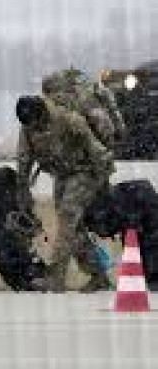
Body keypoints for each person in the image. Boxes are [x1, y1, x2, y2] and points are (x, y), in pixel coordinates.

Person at [16, 95, 114, 293]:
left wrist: (103, 182)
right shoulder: (27, 127)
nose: (34, 128)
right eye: (30, 125)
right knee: (73, 230)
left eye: (36, 123)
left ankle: (55, 278)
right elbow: (24, 159)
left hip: (84, 172)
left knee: (67, 219)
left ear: (42, 114)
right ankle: (98, 275)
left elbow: (96, 150)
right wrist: (23, 189)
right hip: (61, 176)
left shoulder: (69, 120)